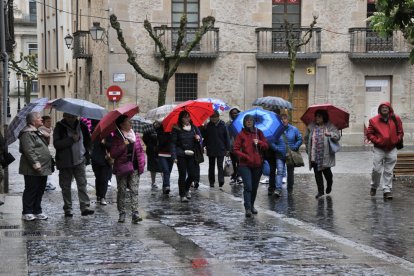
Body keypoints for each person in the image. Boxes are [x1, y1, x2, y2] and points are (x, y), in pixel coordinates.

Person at [53, 112, 94, 217]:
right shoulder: (59, 127)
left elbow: (89, 141)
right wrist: (71, 139)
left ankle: (84, 207)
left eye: (73, 116)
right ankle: (68, 208)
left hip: (80, 160)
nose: (71, 119)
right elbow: (57, 144)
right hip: (65, 162)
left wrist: (87, 152)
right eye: (68, 117)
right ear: (64, 117)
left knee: (82, 184)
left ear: (76, 116)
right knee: (65, 186)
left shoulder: (82, 126)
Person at [110, 115, 146, 223]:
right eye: (128, 121)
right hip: (122, 168)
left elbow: (140, 151)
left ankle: (135, 213)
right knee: (122, 191)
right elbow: (113, 153)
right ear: (121, 124)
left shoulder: (135, 135)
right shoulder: (117, 137)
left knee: (134, 190)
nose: (131, 123)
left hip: (135, 167)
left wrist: (142, 163)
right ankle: (122, 212)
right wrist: (123, 145)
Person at [233, 114, 269, 217]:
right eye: (247, 120)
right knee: (248, 186)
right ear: (244, 122)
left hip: (257, 164)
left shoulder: (259, 133)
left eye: (251, 120)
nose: (249, 122)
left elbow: (266, 146)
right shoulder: (241, 134)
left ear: (253, 122)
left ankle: (252, 205)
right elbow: (235, 149)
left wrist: (260, 142)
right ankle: (247, 208)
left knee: (254, 187)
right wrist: (245, 156)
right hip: (245, 165)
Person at [19, 112, 52, 221]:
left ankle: (37, 210)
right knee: (31, 189)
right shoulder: (27, 133)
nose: (41, 119)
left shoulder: (37, 132)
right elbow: (29, 150)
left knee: (40, 189)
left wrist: (46, 138)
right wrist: (35, 163)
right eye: (39, 118)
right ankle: (27, 211)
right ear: (33, 121)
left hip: (43, 167)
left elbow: (41, 147)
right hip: (32, 167)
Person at [366, 102, 403, 199]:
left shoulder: (396, 119)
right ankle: (374, 186)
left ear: (390, 109)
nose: (385, 109)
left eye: (386, 107)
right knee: (376, 170)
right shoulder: (373, 120)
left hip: (392, 148)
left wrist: (396, 139)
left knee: (389, 170)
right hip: (379, 148)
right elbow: (369, 134)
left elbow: (400, 132)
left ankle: (387, 190)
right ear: (379, 109)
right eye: (382, 107)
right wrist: (377, 141)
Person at [304, 109, 340, 199]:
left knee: (327, 173)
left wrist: (330, 134)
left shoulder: (329, 125)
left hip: (325, 154)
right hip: (315, 154)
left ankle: (329, 183)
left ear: (324, 117)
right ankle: (320, 191)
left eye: (319, 116)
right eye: (316, 116)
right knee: (317, 173)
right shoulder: (311, 126)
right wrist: (308, 150)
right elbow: (306, 138)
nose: (317, 118)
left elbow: (337, 136)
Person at [171, 110, 201, 202]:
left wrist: (198, 139)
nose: (187, 118)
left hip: (192, 154)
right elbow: (173, 143)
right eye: (185, 117)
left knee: (193, 175)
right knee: (182, 174)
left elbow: (199, 139)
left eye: (188, 116)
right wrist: (174, 156)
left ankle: (186, 188)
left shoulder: (194, 128)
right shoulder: (176, 128)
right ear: (181, 118)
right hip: (181, 154)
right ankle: (182, 195)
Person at [270, 114, 302, 194]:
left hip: (290, 155)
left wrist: (295, 146)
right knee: (280, 171)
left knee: (290, 172)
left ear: (288, 120)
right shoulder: (276, 130)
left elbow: (300, 139)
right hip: (279, 155)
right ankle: (278, 189)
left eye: (285, 118)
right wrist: (277, 148)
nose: (283, 120)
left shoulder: (294, 129)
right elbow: (271, 141)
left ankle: (290, 189)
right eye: (281, 119)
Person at [202, 111, 230, 189]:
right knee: (211, 166)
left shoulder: (223, 125)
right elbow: (205, 137)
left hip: (221, 148)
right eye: (212, 117)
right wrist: (202, 146)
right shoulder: (208, 125)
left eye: (215, 117)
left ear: (218, 117)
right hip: (211, 148)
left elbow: (227, 137)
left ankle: (221, 181)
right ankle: (211, 182)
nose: (213, 119)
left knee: (220, 165)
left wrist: (228, 149)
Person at [91, 120, 113, 206]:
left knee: (104, 178)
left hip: (105, 159)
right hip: (95, 159)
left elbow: (111, 145)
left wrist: (104, 143)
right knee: (98, 178)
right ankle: (98, 195)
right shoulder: (93, 133)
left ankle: (103, 196)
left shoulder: (107, 133)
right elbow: (90, 145)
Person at [155, 121, 174, 195]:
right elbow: (162, 141)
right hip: (162, 154)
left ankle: (164, 187)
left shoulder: (173, 130)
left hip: (171, 154)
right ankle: (167, 186)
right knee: (165, 170)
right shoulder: (160, 130)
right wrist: (168, 134)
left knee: (168, 171)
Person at [39, 115, 56, 191]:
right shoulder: (41, 131)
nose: (50, 123)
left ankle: (48, 183)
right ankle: (46, 184)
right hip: (45, 153)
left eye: (50, 121)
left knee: (50, 168)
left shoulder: (50, 130)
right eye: (48, 121)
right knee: (45, 168)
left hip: (51, 152)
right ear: (43, 122)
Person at [226, 106, 243, 185]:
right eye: (233, 113)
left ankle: (239, 176)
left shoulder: (241, 122)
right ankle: (233, 177)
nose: (234, 115)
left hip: (240, 146)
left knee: (239, 162)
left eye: (236, 113)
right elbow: (226, 136)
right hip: (231, 146)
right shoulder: (228, 124)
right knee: (233, 162)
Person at [142, 123, 162, 189]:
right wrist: (150, 145)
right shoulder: (149, 129)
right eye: (157, 123)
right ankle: (153, 182)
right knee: (152, 167)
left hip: (161, 150)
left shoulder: (163, 128)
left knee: (163, 166)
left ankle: (165, 182)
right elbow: (144, 138)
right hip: (151, 151)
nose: (158, 124)